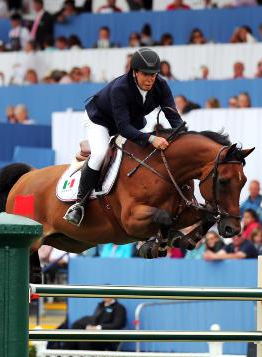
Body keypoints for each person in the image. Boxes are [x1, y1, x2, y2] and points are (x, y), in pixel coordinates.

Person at [64, 48, 184, 226]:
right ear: (134, 72)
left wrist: (183, 135)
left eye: (153, 74)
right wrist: (151, 139)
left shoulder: (161, 85)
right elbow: (124, 128)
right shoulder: (120, 88)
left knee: (143, 143)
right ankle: (79, 204)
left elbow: (173, 116)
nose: (150, 79)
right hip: (100, 120)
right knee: (100, 154)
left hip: (131, 121)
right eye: (145, 74)